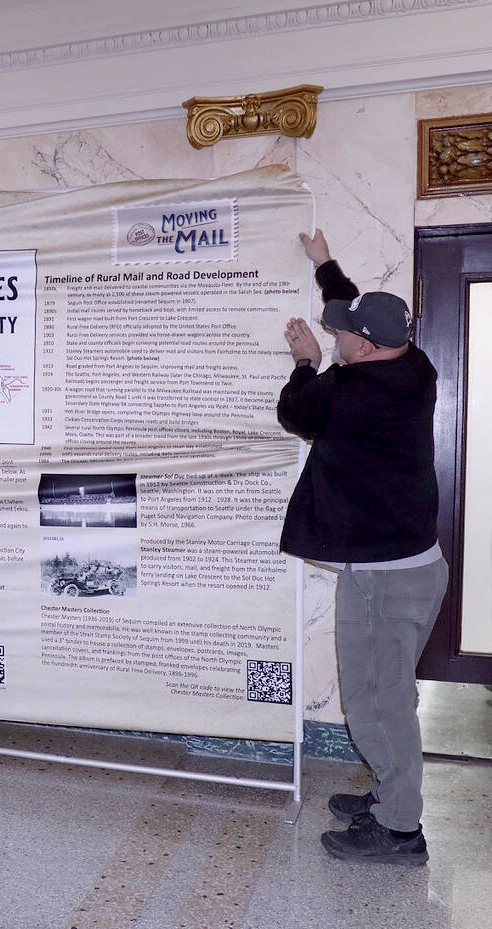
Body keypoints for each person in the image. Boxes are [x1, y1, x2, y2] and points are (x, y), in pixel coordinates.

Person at [278, 229, 448, 865]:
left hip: (384, 580)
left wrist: (305, 362)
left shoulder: (349, 394)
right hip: (413, 567)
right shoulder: (414, 365)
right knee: (389, 691)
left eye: (343, 334)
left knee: (377, 701)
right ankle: (388, 795)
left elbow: (296, 412)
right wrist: (325, 265)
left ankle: (399, 829)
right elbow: (352, 309)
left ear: (364, 347)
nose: (334, 335)